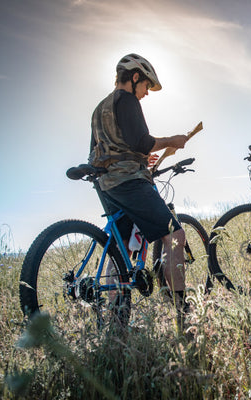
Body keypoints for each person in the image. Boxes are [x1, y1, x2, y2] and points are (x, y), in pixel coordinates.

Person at [88, 53, 190, 326]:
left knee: (119, 250)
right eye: (146, 86)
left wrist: (141, 159)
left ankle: (117, 321)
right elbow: (141, 140)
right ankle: (183, 314)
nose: (146, 93)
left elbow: (108, 149)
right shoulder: (127, 100)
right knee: (174, 234)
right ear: (135, 77)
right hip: (130, 183)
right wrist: (174, 140)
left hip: (107, 184)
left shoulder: (100, 107)